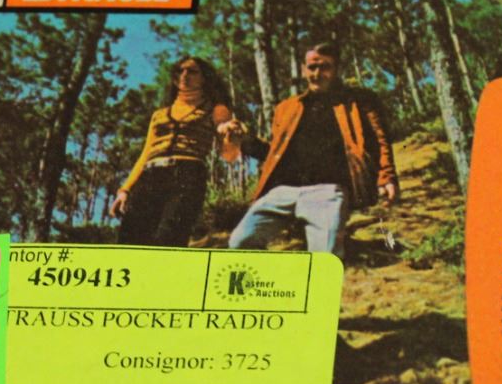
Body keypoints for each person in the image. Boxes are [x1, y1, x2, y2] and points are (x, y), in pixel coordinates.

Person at [226, 44, 398, 258]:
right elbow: (275, 155)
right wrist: (246, 141)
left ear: (336, 69)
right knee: (240, 242)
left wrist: (386, 176)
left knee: (323, 259)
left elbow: (381, 141)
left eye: (325, 67)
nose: (317, 74)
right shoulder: (287, 108)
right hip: (282, 191)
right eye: (312, 67)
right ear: (303, 69)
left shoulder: (358, 101)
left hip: (327, 192)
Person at [111, 57, 240, 246]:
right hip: (150, 176)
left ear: (204, 78)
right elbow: (146, 153)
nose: (184, 75)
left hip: (188, 174)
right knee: (130, 240)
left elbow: (230, 154)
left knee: (169, 238)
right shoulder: (159, 114)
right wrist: (125, 190)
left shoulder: (216, 109)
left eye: (192, 71)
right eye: (180, 70)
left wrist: (229, 135)